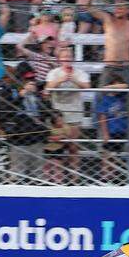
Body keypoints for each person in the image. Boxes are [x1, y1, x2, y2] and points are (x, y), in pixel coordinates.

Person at [0, 67, 48, 182]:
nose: (31, 81)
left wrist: (42, 96)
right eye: (28, 78)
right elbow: (6, 111)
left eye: (33, 78)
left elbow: (46, 111)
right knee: (17, 175)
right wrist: (22, 94)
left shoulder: (38, 92)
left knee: (38, 175)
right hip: (18, 138)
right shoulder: (9, 90)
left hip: (36, 137)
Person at [43, 47, 89, 175]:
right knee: (57, 148)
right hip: (58, 117)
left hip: (75, 114)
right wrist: (60, 80)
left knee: (73, 147)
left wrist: (73, 79)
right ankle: (59, 176)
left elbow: (87, 86)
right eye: (64, 57)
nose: (67, 59)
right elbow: (48, 88)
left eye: (69, 57)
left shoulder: (80, 73)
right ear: (59, 60)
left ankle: (74, 176)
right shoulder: (53, 73)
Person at [88, 1, 129, 90]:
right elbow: (88, 8)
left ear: (127, 10)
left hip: (125, 67)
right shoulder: (108, 20)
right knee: (101, 95)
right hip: (109, 66)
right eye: (116, 8)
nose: (117, 10)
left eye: (121, 8)